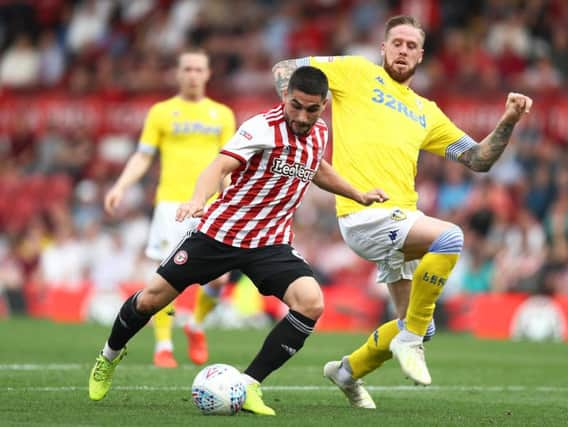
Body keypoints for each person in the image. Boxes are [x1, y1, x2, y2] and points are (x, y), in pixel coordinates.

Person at [88, 66, 389, 415]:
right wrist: (198, 199)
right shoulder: (261, 127)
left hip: (269, 243)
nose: (302, 116)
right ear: (284, 97)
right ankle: (108, 357)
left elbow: (317, 168)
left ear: (324, 105)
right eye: (296, 105)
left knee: (311, 303)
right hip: (220, 233)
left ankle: (248, 386)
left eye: (312, 108)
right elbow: (216, 167)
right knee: (151, 300)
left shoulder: (320, 132)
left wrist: (358, 194)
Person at [272, 15, 533, 408]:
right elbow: (286, 70)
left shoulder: (426, 111)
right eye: (397, 43)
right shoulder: (356, 72)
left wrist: (509, 119)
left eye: (412, 46)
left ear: (421, 55)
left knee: (420, 324)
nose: (403, 50)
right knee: (450, 237)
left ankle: (346, 371)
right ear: (383, 47)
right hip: (363, 212)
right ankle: (409, 340)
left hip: (401, 220)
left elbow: (478, 159)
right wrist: (300, 115)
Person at [104, 49, 235, 368]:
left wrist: (229, 198)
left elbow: (230, 163)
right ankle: (163, 345)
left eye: (198, 69)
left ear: (208, 74)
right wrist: (121, 185)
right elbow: (143, 155)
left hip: (210, 204)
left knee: (219, 281)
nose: (192, 74)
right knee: (165, 277)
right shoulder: (161, 112)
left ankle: (196, 326)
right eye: (187, 69)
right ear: (178, 74)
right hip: (170, 204)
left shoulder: (222, 114)